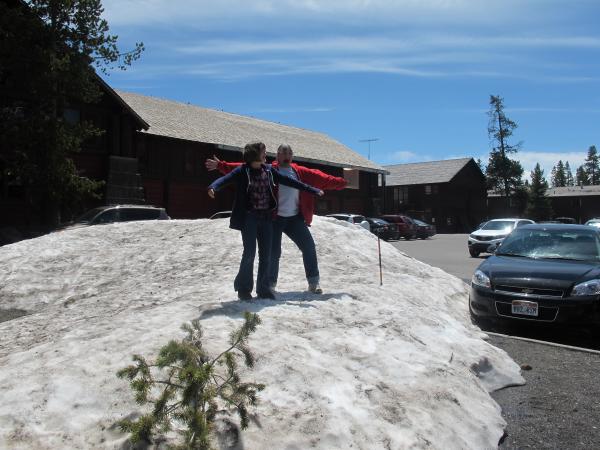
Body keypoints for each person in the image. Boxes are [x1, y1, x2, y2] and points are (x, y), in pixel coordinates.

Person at [206, 144, 347, 294]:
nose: (286, 155)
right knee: (264, 253)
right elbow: (236, 171)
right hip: (272, 218)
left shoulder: (290, 171)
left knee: (303, 247)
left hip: (289, 218)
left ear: (292, 155)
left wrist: (339, 184)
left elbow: (314, 179)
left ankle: (307, 283)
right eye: (282, 152)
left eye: (289, 152)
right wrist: (218, 172)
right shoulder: (261, 168)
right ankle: (260, 286)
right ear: (277, 155)